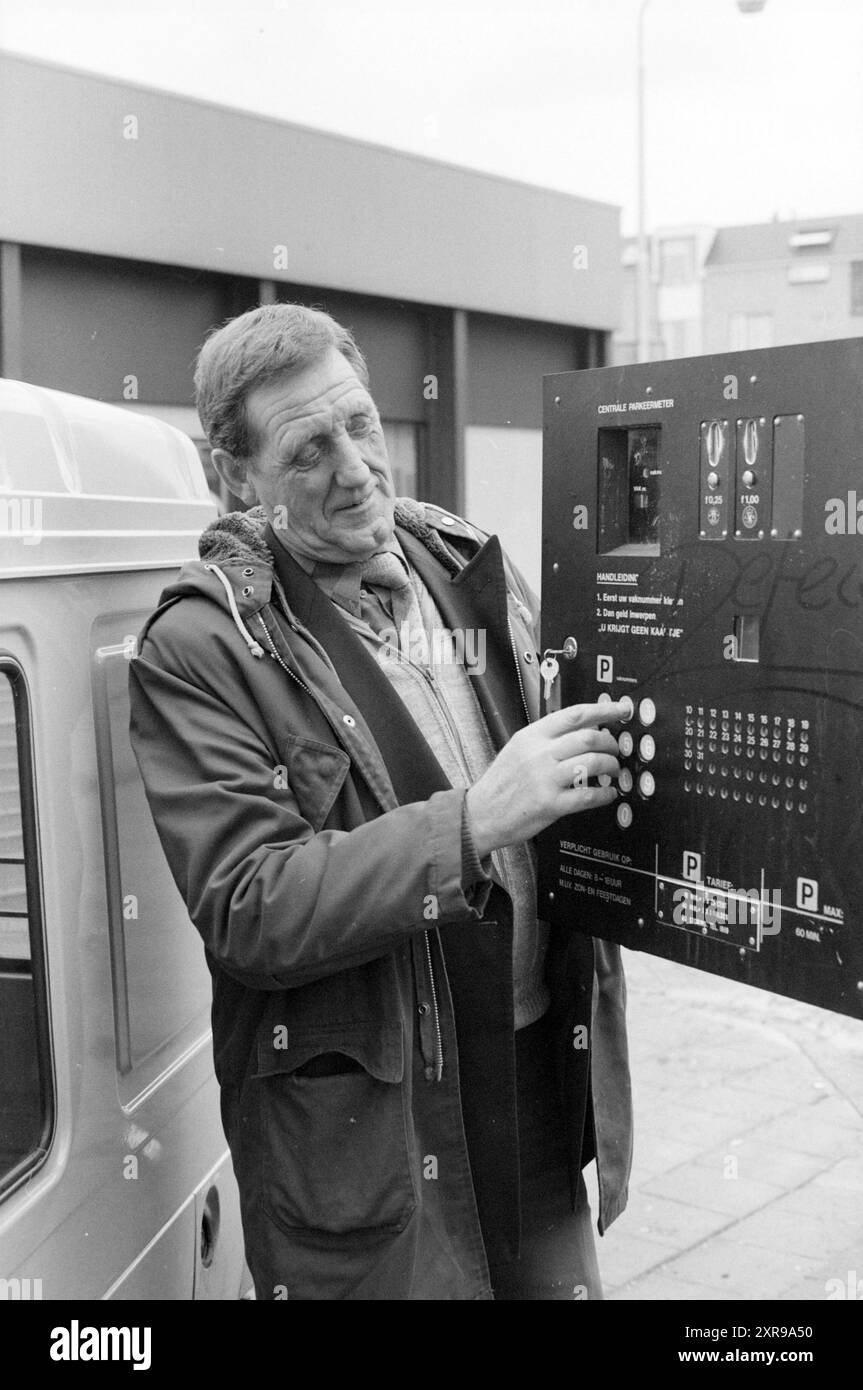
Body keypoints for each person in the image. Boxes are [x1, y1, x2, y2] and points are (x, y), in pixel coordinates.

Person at [128, 302, 633, 1301]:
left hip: (541, 1074)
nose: (353, 466)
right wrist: (474, 820)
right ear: (234, 477)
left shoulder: (463, 565)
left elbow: (572, 758)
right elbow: (251, 906)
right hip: (379, 1132)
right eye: (306, 451)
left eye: (358, 424)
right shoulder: (201, 646)